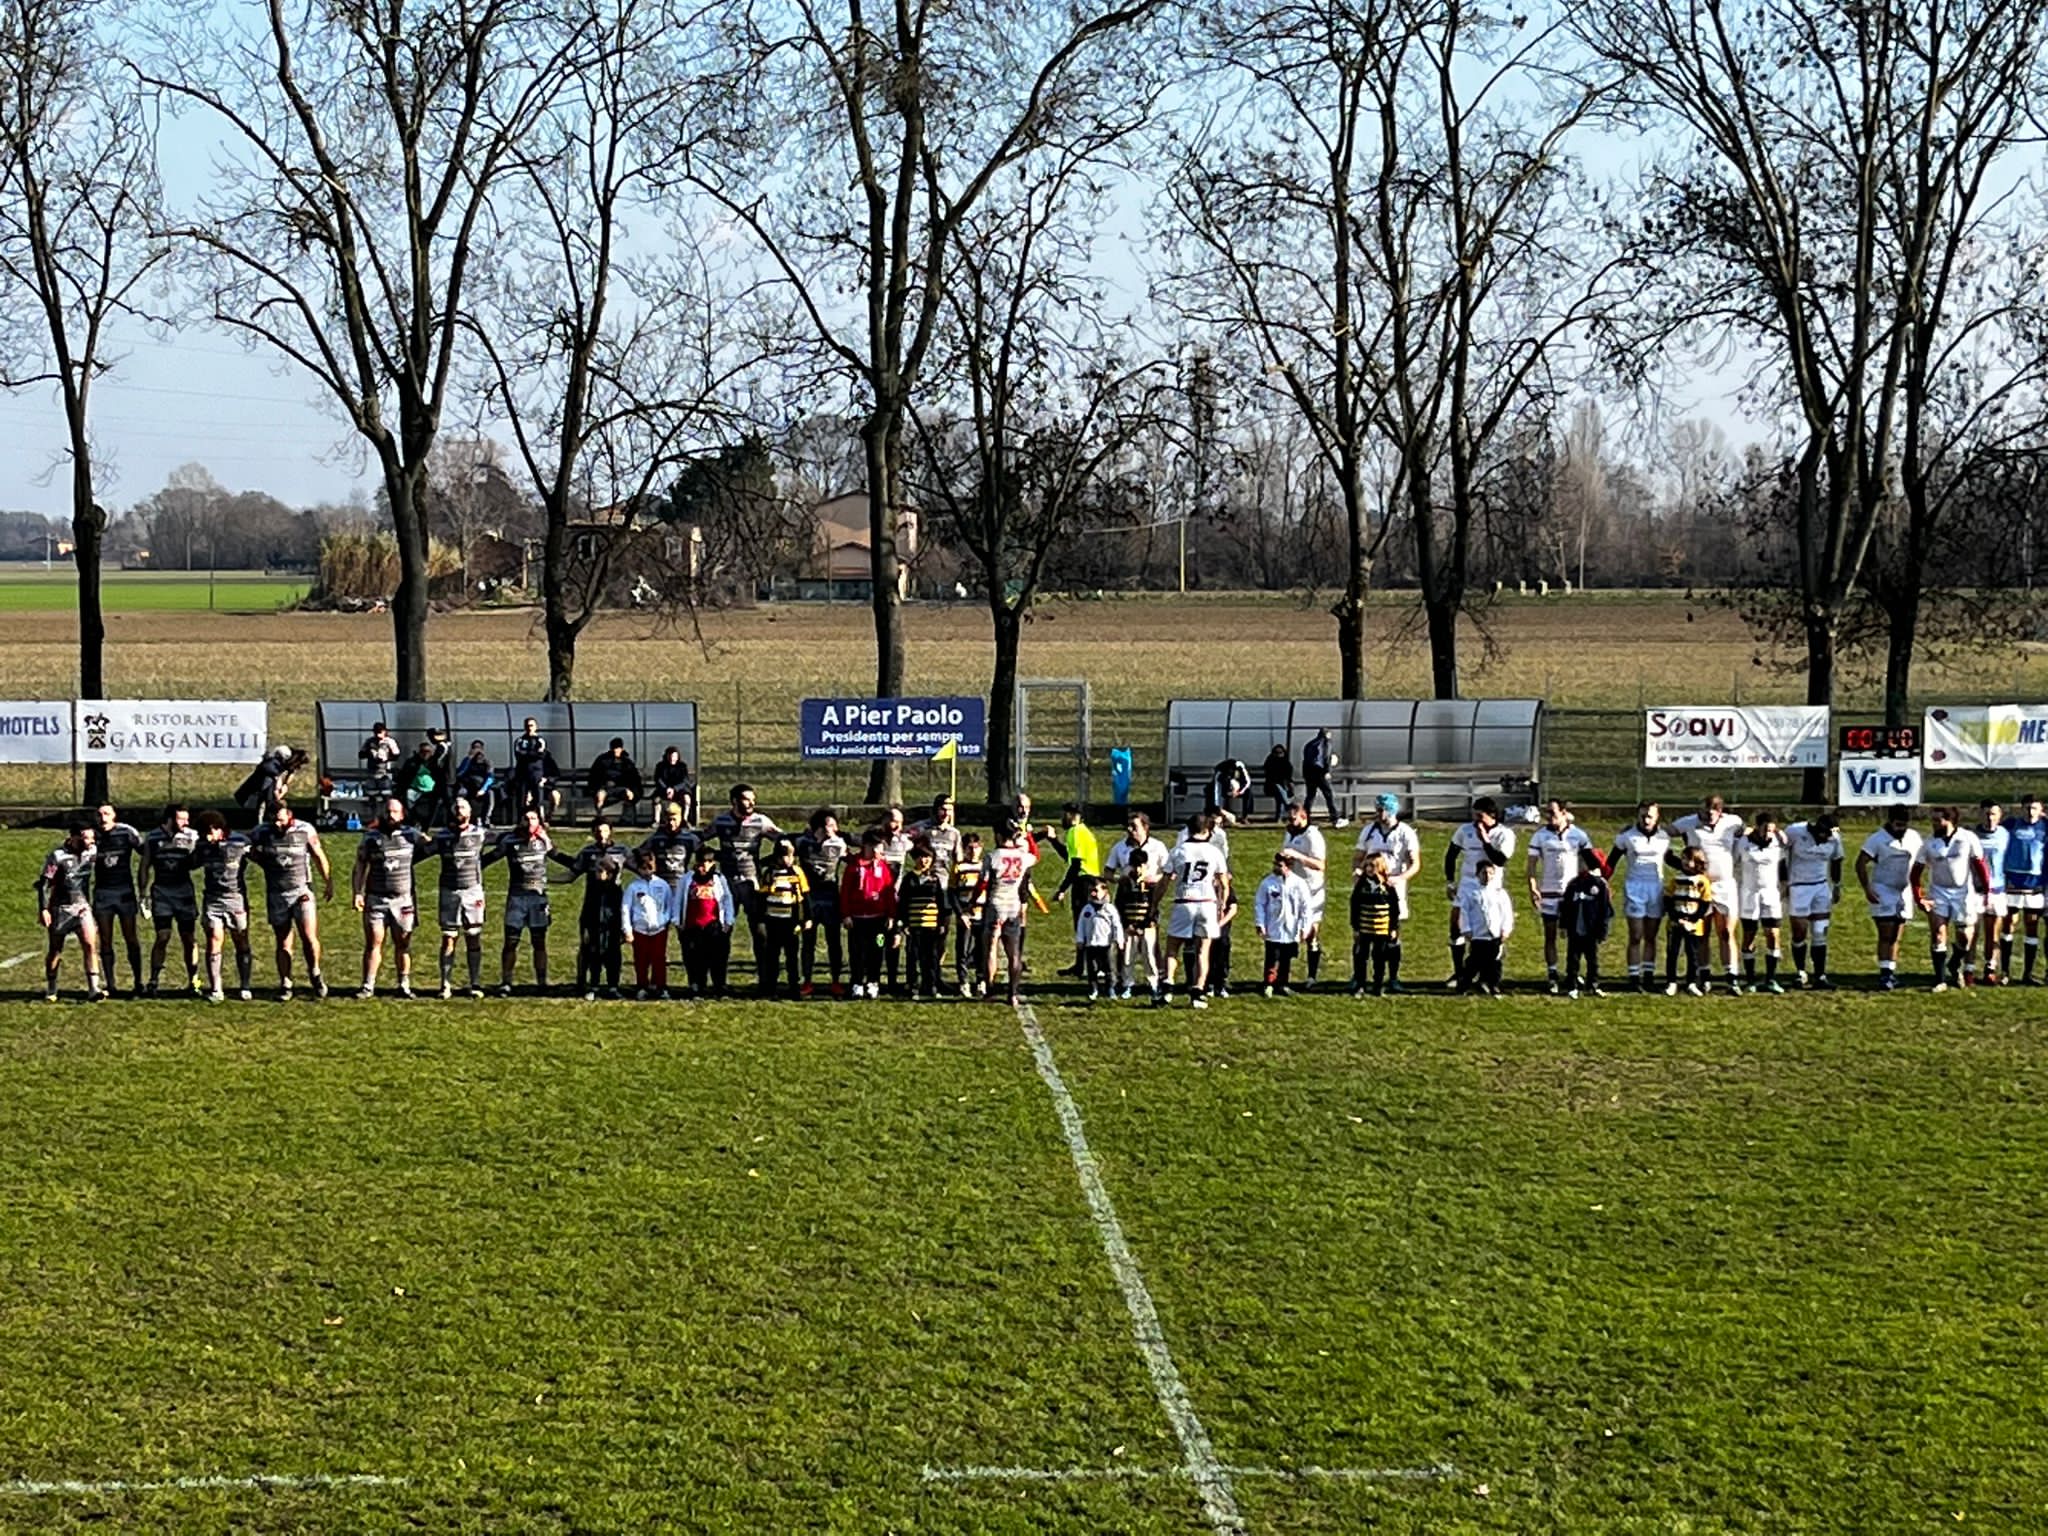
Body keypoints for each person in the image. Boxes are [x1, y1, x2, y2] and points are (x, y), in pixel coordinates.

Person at [249, 800, 332, 1001]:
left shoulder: (305, 830)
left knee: (308, 936)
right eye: (273, 820)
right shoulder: (262, 832)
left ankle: (315, 972)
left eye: (280, 819)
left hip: (301, 890)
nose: (278, 824)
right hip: (277, 893)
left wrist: (328, 881)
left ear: (289, 814)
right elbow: (250, 850)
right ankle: (286, 982)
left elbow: (318, 855)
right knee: (283, 941)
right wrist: (264, 863)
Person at [352, 797, 426, 999]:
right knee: (374, 942)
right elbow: (360, 865)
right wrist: (357, 892)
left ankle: (404, 984)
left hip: (403, 900)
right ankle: (368, 985)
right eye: (387, 811)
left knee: (403, 943)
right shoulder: (370, 838)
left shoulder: (411, 835)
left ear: (402, 815)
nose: (390, 816)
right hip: (376, 899)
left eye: (394, 812)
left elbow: (432, 845)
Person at [1671, 794, 1745, 992]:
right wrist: (1678, 863)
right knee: (1701, 933)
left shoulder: (1732, 822)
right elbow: (1663, 833)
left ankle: (1732, 976)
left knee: (1726, 931)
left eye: (1711, 812)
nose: (1707, 815)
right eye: (1703, 811)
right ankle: (1704, 975)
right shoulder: (1688, 823)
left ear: (1720, 812)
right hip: (1700, 885)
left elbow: (1746, 832)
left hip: (1725, 885)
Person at [1913, 807, 1990, 994]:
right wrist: (1919, 898)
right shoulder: (1929, 844)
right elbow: (1915, 872)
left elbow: (1980, 864)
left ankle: (1955, 962)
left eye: (1937, 820)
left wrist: (1986, 889)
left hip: (1963, 892)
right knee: (1939, 934)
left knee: (1965, 936)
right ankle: (1940, 980)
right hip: (1938, 892)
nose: (1933, 824)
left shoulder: (1968, 838)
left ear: (1950, 820)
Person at [419, 796, 490, 998]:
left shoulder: (480, 834)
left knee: (473, 937)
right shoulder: (443, 837)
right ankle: (445, 984)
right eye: (456, 807)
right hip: (449, 892)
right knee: (449, 938)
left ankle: (475, 983)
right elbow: (422, 853)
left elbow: (505, 843)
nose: (459, 811)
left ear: (470, 812)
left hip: (473, 891)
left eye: (463, 808)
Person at [1444, 796, 1515, 987]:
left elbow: (1499, 860)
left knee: (1487, 932)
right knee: (1456, 927)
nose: (1476, 820)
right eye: (1474, 815)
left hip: (1490, 887)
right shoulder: (1464, 831)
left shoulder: (1504, 834)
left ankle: (1487, 975)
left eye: (1480, 815)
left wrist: (1485, 840)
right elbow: (1451, 856)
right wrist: (1450, 882)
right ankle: (1459, 973)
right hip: (1467, 885)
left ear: (1492, 815)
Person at [710, 784, 782, 972]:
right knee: (723, 931)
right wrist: (716, 856)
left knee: (760, 932)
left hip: (753, 884)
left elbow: (784, 841)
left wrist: (769, 862)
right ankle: (719, 981)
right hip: (727, 885)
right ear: (734, 801)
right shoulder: (721, 821)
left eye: (753, 799)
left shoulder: (761, 821)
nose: (752, 803)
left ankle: (765, 978)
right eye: (746, 799)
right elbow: (699, 839)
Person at [484, 807, 554, 994]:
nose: (530, 821)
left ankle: (542, 983)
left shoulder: (543, 842)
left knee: (539, 942)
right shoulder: (510, 841)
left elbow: (560, 857)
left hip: (538, 898)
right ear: (521, 821)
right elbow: (490, 858)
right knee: (511, 941)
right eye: (527, 818)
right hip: (517, 898)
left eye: (534, 818)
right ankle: (506, 982)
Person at [1524, 798, 1591, 994]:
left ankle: (1572, 972)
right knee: (1550, 934)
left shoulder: (1578, 835)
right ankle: (1552, 974)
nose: (1549, 817)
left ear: (1563, 813)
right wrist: (1533, 886)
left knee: (1574, 936)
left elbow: (1588, 862)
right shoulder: (1540, 836)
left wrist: (1587, 885)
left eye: (1553, 813)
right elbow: (1531, 865)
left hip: (1572, 893)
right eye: (1547, 813)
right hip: (1549, 892)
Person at [556, 819, 628, 1000]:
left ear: (611, 832)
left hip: (614, 907)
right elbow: (572, 873)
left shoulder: (622, 852)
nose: (601, 834)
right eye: (597, 831)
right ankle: (593, 985)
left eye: (604, 831)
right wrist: (544, 880)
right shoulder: (587, 853)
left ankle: (613, 986)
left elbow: (641, 867)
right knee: (592, 947)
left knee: (613, 948)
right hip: (592, 907)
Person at [1161, 813, 1226, 1010]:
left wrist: (1155, 902)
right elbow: (1223, 882)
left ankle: (1168, 986)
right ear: (1208, 830)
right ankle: (1198, 992)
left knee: (1173, 947)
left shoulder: (1179, 851)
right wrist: (1221, 905)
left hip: (1185, 901)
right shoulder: (1215, 852)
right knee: (1202, 951)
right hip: (1206, 902)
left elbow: (1165, 880)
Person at [1856, 805, 1922, 992]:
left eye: (1904, 825)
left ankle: (1891, 970)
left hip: (1904, 890)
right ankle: (1884, 974)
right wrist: (1867, 888)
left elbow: (1921, 860)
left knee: (1897, 935)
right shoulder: (1877, 839)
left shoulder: (1913, 837)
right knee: (1886, 933)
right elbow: (1860, 863)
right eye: (1898, 824)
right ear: (1890, 822)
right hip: (1883, 889)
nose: (1901, 828)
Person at [36, 819, 103, 1003]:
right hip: (61, 908)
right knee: (56, 950)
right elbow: (43, 884)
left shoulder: (92, 851)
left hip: (82, 906)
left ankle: (93, 988)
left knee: (90, 944)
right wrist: (43, 909)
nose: (90, 841)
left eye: (92, 838)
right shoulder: (57, 856)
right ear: (73, 838)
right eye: (85, 838)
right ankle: (51, 987)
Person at [1608, 802, 1671, 992]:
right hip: (1634, 888)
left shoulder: (1663, 837)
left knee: (1651, 936)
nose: (1646, 819)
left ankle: (1649, 975)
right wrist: (1601, 881)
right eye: (1643, 815)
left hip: (1656, 888)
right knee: (1635, 935)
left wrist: (1695, 870)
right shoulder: (1627, 837)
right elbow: (1611, 862)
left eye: (1650, 816)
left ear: (1657, 816)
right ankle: (1634, 977)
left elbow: (1670, 859)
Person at [195, 811, 256, 1002]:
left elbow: (258, 856)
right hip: (213, 899)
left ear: (218, 829)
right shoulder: (203, 845)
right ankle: (216, 988)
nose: (206, 837)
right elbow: (192, 862)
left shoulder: (240, 841)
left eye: (208, 833)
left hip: (235, 898)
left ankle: (245, 985)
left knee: (241, 939)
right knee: (214, 939)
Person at [141, 804, 202, 995]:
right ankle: (153, 980)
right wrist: (143, 894)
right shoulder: (153, 838)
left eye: (187, 818)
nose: (186, 822)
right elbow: (144, 865)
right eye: (181, 818)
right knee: (163, 936)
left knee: (189, 938)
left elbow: (197, 861)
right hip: (162, 893)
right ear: (169, 819)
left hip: (184, 893)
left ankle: (194, 981)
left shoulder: (192, 837)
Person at [88, 802, 147, 996]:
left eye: (106, 813)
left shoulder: (126, 832)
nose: (102, 817)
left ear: (114, 816)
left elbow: (146, 852)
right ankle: (111, 984)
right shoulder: (92, 835)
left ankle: (139, 981)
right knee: (105, 940)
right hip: (103, 894)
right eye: (99, 814)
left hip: (124, 892)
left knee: (131, 938)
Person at [635, 802, 701, 971]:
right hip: (660, 892)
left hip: (681, 892)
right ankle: (653, 976)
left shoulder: (689, 838)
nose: (671, 823)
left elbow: (704, 854)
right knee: (656, 934)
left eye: (674, 819)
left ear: (681, 818)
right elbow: (638, 853)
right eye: (667, 819)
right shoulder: (656, 838)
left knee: (686, 936)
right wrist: (645, 871)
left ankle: (693, 977)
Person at [980, 821, 1039, 1006]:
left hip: (996, 904)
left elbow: (983, 883)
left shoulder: (992, 856)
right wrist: (1028, 836)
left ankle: (989, 989)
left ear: (998, 835)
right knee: (1014, 953)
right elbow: (1036, 856)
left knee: (991, 948)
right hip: (1014, 905)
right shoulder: (1022, 856)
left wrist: (974, 902)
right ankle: (1012, 993)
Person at [1040, 803, 1101, 978]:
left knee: (1083, 926)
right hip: (1090, 880)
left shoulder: (1075, 833)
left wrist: (1062, 889)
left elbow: (1075, 865)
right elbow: (1069, 856)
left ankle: (1090, 966)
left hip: (1084, 882)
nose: (1063, 818)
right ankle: (1081, 965)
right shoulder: (1083, 832)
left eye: (1065, 814)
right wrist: (1053, 840)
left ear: (1074, 815)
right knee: (1084, 926)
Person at [1785, 812, 1844, 989]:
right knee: (1800, 931)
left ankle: (1820, 975)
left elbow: (1837, 860)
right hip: (1798, 885)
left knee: (1820, 933)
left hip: (1820, 886)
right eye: (1825, 833)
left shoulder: (1834, 838)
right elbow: (1781, 853)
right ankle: (1800, 972)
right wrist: (1782, 882)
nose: (1828, 837)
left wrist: (1837, 885)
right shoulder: (1795, 832)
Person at [1734, 811, 1789, 994]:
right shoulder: (1743, 842)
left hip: (1771, 894)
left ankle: (1771, 979)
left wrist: (1783, 886)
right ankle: (1750, 979)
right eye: (1765, 829)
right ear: (1757, 827)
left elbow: (1782, 867)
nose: (1767, 834)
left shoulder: (1777, 843)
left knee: (1773, 934)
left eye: (1771, 830)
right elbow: (1733, 863)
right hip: (1749, 894)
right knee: (1749, 935)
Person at [839, 829, 897, 1000]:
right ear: (866, 846)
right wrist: (846, 915)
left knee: (877, 949)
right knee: (856, 951)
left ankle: (873, 981)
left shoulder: (883, 867)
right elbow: (845, 892)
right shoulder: (854, 867)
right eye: (876, 847)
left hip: (878, 919)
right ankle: (857, 982)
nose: (879, 851)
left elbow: (889, 893)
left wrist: (891, 915)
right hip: (857, 919)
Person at [796, 810, 848, 997]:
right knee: (808, 942)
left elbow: (851, 858)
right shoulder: (802, 843)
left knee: (834, 942)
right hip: (809, 900)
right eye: (830, 825)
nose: (835, 829)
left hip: (831, 900)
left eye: (836, 825)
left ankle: (836, 981)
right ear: (818, 827)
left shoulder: (839, 844)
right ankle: (807, 981)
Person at [1278, 800, 1330, 987]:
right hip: (1292, 888)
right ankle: (1282, 976)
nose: (1290, 822)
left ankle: (1312, 976)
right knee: (1287, 930)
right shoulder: (1290, 832)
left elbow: (1320, 865)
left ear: (1304, 817)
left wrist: (1298, 856)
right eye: (1288, 818)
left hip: (1311, 890)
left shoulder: (1312, 836)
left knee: (1310, 933)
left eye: (1293, 819)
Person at [677, 844, 736, 998]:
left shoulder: (719, 879)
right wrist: (678, 922)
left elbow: (727, 900)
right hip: (692, 925)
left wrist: (728, 921)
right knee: (694, 958)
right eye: (701, 863)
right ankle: (696, 985)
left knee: (718, 957)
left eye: (707, 863)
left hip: (714, 924)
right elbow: (678, 900)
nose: (703, 866)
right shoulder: (687, 879)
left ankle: (719, 986)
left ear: (713, 863)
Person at [756, 838, 812, 998]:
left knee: (792, 956)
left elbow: (805, 896)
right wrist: (761, 921)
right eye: (785, 856)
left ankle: (794, 987)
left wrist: (807, 918)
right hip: (773, 920)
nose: (788, 860)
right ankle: (771, 988)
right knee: (772, 956)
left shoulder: (797, 872)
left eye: (791, 856)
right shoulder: (769, 873)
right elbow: (762, 898)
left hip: (791, 921)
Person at [1353, 794, 1420, 923]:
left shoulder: (1405, 833)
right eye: (1377, 809)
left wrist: (1399, 878)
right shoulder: (1368, 831)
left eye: (1380, 810)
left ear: (1390, 811)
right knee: (1367, 922)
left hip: (1393, 882)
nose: (1377, 813)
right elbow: (1358, 857)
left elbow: (1415, 864)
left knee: (1392, 926)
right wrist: (1357, 872)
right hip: (1371, 882)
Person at [1254, 851, 1312, 997]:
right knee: (1272, 958)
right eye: (1275, 864)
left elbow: (1306, 907)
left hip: (1291, 927)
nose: (1276, 867)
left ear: (1288, 867)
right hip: (1273, 927)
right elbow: (1260, 904)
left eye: (1279, 865)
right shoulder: (1267, 883)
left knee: (1286, 958)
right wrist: (1260, 923)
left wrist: (1305, 927)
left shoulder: (1299, 884)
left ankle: (1283, 984)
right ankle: (1268, 984)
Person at [2003, 796, 2047, 984]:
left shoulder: (2045, 827)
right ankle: (2004, 972)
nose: (2030, 812)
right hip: (2012, 883)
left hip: (2034, 885)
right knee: (2009, 924)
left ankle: (2027, 973)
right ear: (2022, 809)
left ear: (2041, 810)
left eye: (2034, 808)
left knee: (2032, 926)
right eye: (2027, 808)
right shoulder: (2011, 825)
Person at [895, 843, 947, 1001]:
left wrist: (941, 923)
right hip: (914, 925)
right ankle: (913, 986)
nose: (924, 861)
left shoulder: (935, 879)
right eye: (921, 857)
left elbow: (941, 902)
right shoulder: (909, 879)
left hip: (931, 925)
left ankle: (931, 985)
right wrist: (903, 924)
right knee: (913, 957)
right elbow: (903, 902)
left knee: (931, 957)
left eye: (928, 857)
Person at [1559, 848, 1613, 999]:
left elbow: (1605, 910)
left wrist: (1602, 930)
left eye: (1582, 861)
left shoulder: (1599, 885)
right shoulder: (1574, 884)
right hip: (1575, 930)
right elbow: (1566, 907)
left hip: (1591, 931)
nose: (1579, 864)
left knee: (1593, 960)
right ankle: (1571, 985)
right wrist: (1563, 926)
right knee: (1573, 959)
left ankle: (1593, 984)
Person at [1456, 860, 1514, 996]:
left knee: (1495, 961)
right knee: (1474, 961)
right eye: (1484, 873)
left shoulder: (1500, 893)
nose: (1487, 876)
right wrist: (1466, 929)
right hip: (1478, 934)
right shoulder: (1471, 893)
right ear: (1477, 874)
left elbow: (1507, 913)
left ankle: (1493, 984)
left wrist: (1506, 930)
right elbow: (1464, 912)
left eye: (1490, 873)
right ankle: (1464, 984)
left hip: (1495, 935)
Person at [624, 850, 676, 1000]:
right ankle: (642, 986)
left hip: (658, 930)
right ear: (638, 869)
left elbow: (668, 906)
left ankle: (660, 987)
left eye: (650, 867)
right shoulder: (633, 887)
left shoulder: (662, 885)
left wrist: (664, 921)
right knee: (641, 960)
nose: (647, 871)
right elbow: (626, 908)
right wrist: (627, 929)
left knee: (659, 959)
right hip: (639, 930)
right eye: (643, 868)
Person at [1662, 847, 1714, 997]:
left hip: (1694, 925)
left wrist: (1693, 921)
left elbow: (1705, 904)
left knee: (1693, 954)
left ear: (1697, 862)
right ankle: (1671, 982)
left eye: (1689, 860)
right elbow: (1668, 899)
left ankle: (1691, 982)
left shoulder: (1702, 881)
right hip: (1676, 923)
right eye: (1683, 858)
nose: (1685, 862)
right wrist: (1676, 918)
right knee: (1673, 953)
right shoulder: (1676, 879)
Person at [1348, 853, 1401, 996]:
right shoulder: (1361, 884)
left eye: (1373, 866)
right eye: (1367, 866)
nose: (1369, 869)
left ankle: (1378, 985)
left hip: (1382, 928)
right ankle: (1360, 984)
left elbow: (1395, 909)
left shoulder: (1387, 886)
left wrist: (1393, 928)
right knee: (1361, 957)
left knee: (1380, 957)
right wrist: (1356, 927)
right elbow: (1354, 905)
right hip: (1365, 927)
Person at [1974, 799, 2011, 986]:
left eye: (1993, 814)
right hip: (1975, 891)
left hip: (1997, 891)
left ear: (2000, 815)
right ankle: (1968, 969)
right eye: (1986, 813)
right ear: (1979, 814)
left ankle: (1990, 968)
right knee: (1971, 933)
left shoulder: (2005, 834)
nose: (1990, 818)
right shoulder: (1971, 835)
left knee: (1992, 932)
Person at [949, 831, 989, 997]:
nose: (973, 851)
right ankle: (963, 982)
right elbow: (952, 892)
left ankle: (981, 981)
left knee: (981, 950)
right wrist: (960, 913)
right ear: (964, 849)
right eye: (970, 848)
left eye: (976, 847)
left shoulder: (984, 866)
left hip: (982, 915)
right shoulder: (959, 867)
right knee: (963, 951)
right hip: (965, 916)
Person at [1074, 878, 1124, 1002]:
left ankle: (1110, 988)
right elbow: (1081, 925)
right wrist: (1080, 939)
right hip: (1091, 944)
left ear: (1105, 892)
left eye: (1096, 890)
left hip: (1106, 944)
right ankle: (1093, 989)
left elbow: (1116, 925)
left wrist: (1119, 939)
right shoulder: (1087, 909)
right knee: (1092, 968)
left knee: (1109, 968)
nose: (1093, 893)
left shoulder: (1109, 909)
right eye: (1091, 891)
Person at [512, 718, 557, 817]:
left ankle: (538, 821)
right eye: (527, 726)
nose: (529, 728)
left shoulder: (540, 740)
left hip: (536, 775)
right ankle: (521, 822)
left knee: (537, 800)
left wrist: (527, 754)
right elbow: (519, 755)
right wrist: (533, 754)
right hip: (522, 774)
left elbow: (541, 754)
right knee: (522, 801)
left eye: (531, 725)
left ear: (536, 727)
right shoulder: (520, 740)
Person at [587, 737, 643, 816]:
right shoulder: (602, 760)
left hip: (621, 787)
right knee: (600, 796)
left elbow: (634, 778)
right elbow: (594, 775)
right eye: (614, 748)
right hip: (604, 787)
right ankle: (599, 817)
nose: (615, 750)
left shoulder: (627, 762)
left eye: (617, 748)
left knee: (629, 795)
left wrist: (633, 790)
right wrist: (596, 788)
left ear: (621, 749)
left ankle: (626, 818)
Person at [1301, 726, 1343, 826]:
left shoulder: (1310, 744)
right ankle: (1335, 818)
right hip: (1320, 773)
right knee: (1328, 795)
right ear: (1327, 734)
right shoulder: (1326, 743)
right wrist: (1327, 771)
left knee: (1310, 796)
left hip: (1309, 773)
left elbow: (1305, 759)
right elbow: (1326, 757)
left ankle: (1305, 818)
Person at [454, 740, 496, 827]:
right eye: (474, 747)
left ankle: (486, 820)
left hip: (481, 788)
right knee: (460, 794)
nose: (477, 750)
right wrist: (469, 759)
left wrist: (483, 790)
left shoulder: (487, 762)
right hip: (468, 787)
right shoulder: (467, 761)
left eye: (479, 748)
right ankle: (462, 818)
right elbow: (459, 774)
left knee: (490, 794)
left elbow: (490, 777)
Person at [359, 721, 401, 800]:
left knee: (386, 794)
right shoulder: (369, 741)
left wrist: (386, 758)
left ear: (384, 731)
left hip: (385, 773)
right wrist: (370, 753)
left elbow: (397, 756)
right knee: (371, 795)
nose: (378, 736)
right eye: (376, 733)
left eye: (380, 733)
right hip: (372, 773)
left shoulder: (390, 742)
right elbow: (360, 755)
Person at [652, 747, 695, 824]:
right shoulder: (660, 766)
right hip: (664, 790)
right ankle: (656, 821)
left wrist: (674, 789)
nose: (672, 758)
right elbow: (658, 779)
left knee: (687, 799)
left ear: (678, 757)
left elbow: (685, 781)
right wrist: (666, 789)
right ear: (666, 756)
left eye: (674, 756)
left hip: (680, 790)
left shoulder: (682, 766)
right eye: (670, 756)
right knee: (656, 799)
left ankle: (684, 820)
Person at [1206, 754, 1250, 825]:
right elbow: (1217, 791)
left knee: (1248, 793)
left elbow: (1247, 782)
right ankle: (1219, 815)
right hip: (1225, 790)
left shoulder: (1240, 767)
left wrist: (1238, 792)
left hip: (1237, 789)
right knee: (1213, 798)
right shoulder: (1219, 775)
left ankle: (1245, 817)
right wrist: (1218, 807)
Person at [1260, 743, 1293, 821]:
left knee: (1280, 796)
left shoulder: (1286, 763)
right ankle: (1287, 805)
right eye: (1276, 753)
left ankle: (1279, 817)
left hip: (1283, 788)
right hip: (1270, 787)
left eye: (1280, 753)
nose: (1279, 755)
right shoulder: (1270, 762)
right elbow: (1269, 776)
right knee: (1277, 787)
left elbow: (1289, 778)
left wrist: (1291, 788)